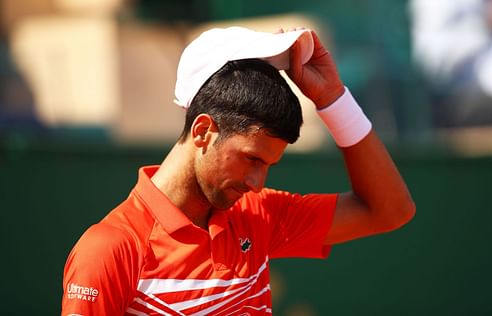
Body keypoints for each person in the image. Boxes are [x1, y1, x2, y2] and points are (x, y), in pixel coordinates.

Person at [61, 26, 415, 315]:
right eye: (252, 159)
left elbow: (389, 210)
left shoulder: (258, 215)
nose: (258, 183)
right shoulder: (110, 249)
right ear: (202, 131)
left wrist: (333, 99)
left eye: (268, 165)